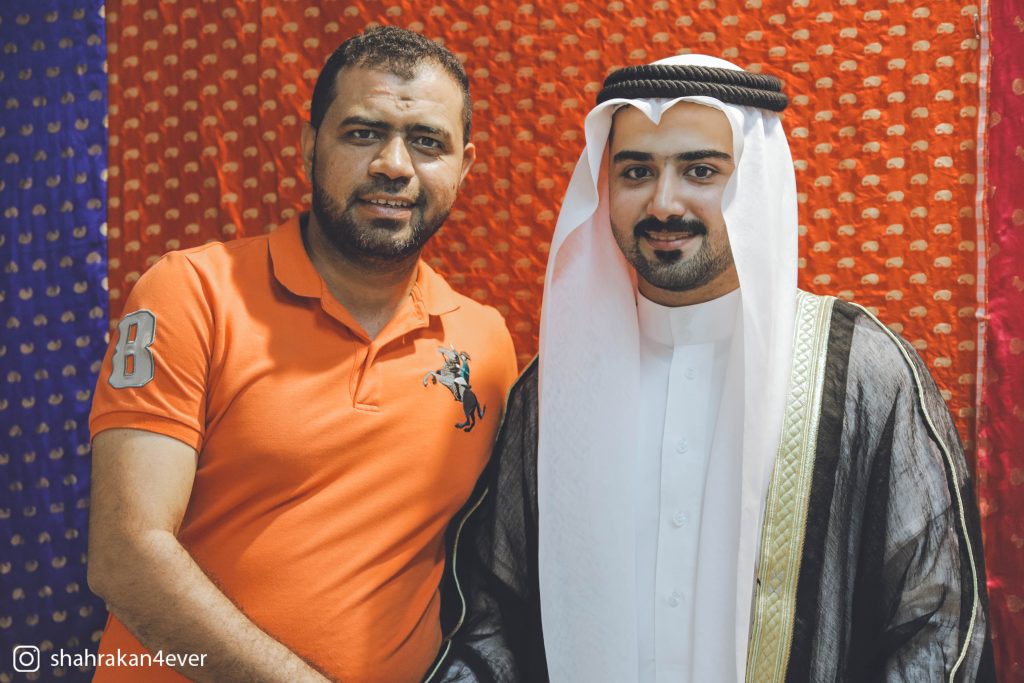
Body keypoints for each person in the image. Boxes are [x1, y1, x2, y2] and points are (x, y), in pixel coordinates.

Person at [441, 55, 995, 683]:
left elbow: (938, 621)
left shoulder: (858, 371)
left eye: (700, 170)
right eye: (636, 171)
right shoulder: (559, 386)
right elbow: (490, 613)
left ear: (752, 184)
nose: (664, 202)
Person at [87, 26, 518, 683]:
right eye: (363, 133)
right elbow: (125, 554)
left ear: (465, 165)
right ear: (310, 145)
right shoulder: (190, 292)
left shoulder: (486, 344)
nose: (394, 165)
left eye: (427, 141)